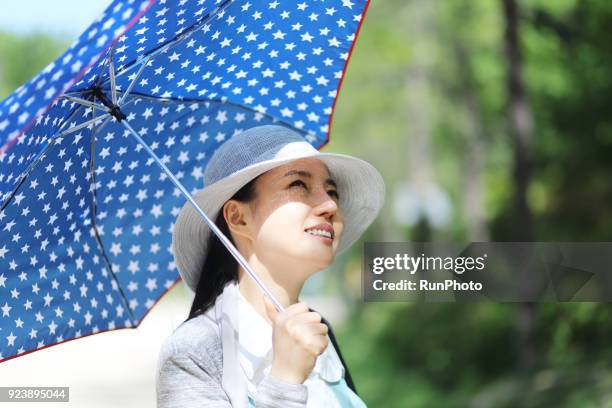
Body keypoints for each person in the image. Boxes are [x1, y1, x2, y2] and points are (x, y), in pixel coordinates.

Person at [156, 124, 385, 407]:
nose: (330, 205)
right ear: (238, 218)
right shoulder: (193, 353)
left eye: (332, 191)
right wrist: (285, 379)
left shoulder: (318, 332)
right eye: (298, 184)